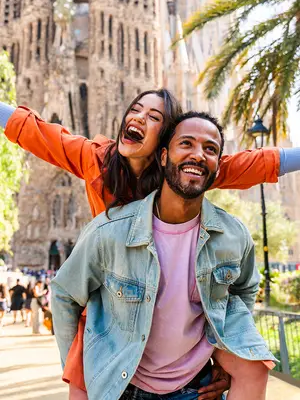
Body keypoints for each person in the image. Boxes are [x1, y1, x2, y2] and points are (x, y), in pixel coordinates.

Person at [0, 89, 299, 398]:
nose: (139, 118)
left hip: (168, 316)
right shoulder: (100, 161)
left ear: (166, 142)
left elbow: (248, 164)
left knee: (249, 363)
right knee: (82, 376)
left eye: (154, 117)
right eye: (136, 110)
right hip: (115, 301)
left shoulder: (179, 174)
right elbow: (42, 136)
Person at [51, 111, 277, 400]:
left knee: (257, 367)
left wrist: (228, 351)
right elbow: (64, 294)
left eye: (210, 149)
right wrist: (80, 375)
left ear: (217, 167)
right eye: (186, 144)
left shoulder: (233, 236)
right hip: (123, 389)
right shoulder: (110, 232)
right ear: (162, 157)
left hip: (196, 389)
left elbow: (245, 289)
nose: (198, 155)